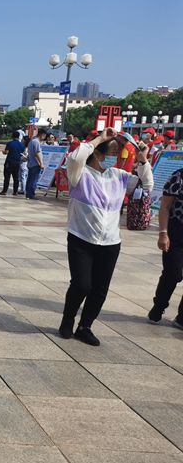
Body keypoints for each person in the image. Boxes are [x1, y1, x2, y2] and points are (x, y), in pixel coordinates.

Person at [59, 127, 152, 346]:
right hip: (81, 238)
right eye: (111, 153)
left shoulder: (118, 176)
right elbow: (75, 157)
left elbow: (147, 185)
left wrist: (143, 159)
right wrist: (100, 138)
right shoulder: (79, 174)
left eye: (116, 154)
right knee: (82, 284)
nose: (115, 158)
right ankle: (68, 319)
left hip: (110, 242)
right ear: (97, 153)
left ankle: (85, 327)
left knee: (100, 289)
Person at [148, 166, 183, 327]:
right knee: (173, 273)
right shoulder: (178, 176)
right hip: (176, 230)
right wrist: (163, 233)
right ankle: (159, 305)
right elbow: (165, 207)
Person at [0, 130, 25, 196]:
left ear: (12, 136)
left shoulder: (10, 143)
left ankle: (4, 191)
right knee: (16, 178)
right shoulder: (22, 145)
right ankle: (15, 192)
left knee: (7, 177)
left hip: (9, 162)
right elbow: (23, 153)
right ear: (19, 137)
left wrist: (3, 152)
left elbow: (6, 152)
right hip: (17, 163)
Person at [25, 128, 47, 199]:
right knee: (34, 180)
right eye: (44, 136)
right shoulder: (37, 142)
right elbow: (37, 153)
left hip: (30, 163)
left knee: (29, 179)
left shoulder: (31, 141)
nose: (44, 138)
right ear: (42, 135)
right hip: (35, 164)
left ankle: (28, 193)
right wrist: (41, 163)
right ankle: (31, 194)